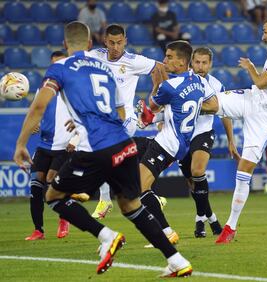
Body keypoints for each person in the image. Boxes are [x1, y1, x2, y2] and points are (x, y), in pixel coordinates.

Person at [13, 21, 192, 277]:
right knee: (131, 206)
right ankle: (177, 260)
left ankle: (106, 236)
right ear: (90, 44)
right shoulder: (103, 68)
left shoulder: (59, 68)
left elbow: (40, 106)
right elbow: (119, 111)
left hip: (96, 148)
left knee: (52, 196)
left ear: (65, 45)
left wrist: (20, 143)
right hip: (123, 143)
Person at [201, 16, 267, 244]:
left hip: (265, 117)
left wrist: (249, 67)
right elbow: (258, 88)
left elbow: (261, 82)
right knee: (208, 104)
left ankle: (230, 226)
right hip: (250, 99)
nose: (262, 36)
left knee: (244, 170)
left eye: (265, 32)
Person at [138, 40, 211, 247]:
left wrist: (156, 85)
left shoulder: (169, 86)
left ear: (181, 61)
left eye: (169, 57)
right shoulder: (198, 82)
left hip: (167, 143)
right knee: (130, 153)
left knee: (140, 187)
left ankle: (166, 232)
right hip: (180, 143)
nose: (164, 60)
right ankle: (156, 205)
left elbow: (150, 109)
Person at [88, 24, 165, 219]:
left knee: (104, 152)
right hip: (102, 119)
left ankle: (105, 200)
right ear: (105, 41)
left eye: (119, 43)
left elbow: (161, 68)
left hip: (126, 118)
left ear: (125, 42)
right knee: (114, 161)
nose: (115, 47)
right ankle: (154, 198)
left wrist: (157, 94)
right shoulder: (94, 56)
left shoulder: (134, 61)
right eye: (112, 43)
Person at [178, 47, 239, 238]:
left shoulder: (216, 85)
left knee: (197, 172)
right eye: (197, 62)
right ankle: (207, 218)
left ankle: (203, 220)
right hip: (182, 136)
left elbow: (225, 113)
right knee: (192, 183)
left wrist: (231, 140)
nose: (200, 66)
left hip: (203, 133)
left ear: (210, 64)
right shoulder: (181, 81)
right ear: (191, 62)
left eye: (205, 63)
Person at [24, 51, 71, 241]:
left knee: (53, 181)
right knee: (35, 185)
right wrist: (34, 124)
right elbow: (36, 112)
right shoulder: (43, 90)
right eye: (54, 64)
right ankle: (38, 230)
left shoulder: (73, 88)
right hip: (44, 145)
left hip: (63, 146)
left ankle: (64, 218)